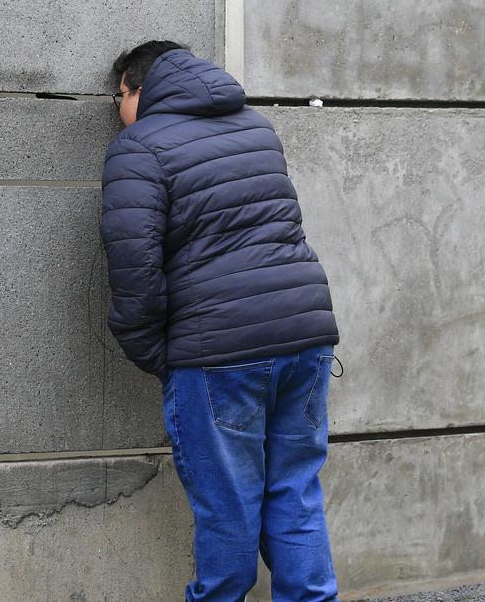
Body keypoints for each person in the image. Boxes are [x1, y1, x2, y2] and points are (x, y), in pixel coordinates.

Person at [100, 41, 341, 601]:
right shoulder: (255, 128)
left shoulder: (137, 147)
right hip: (304, 334)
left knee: (228, 504)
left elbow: (134, 269)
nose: (118, 111)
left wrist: (158, 354)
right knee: (295, 491)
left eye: (119, 97)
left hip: (217, 350)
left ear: (140, 89)